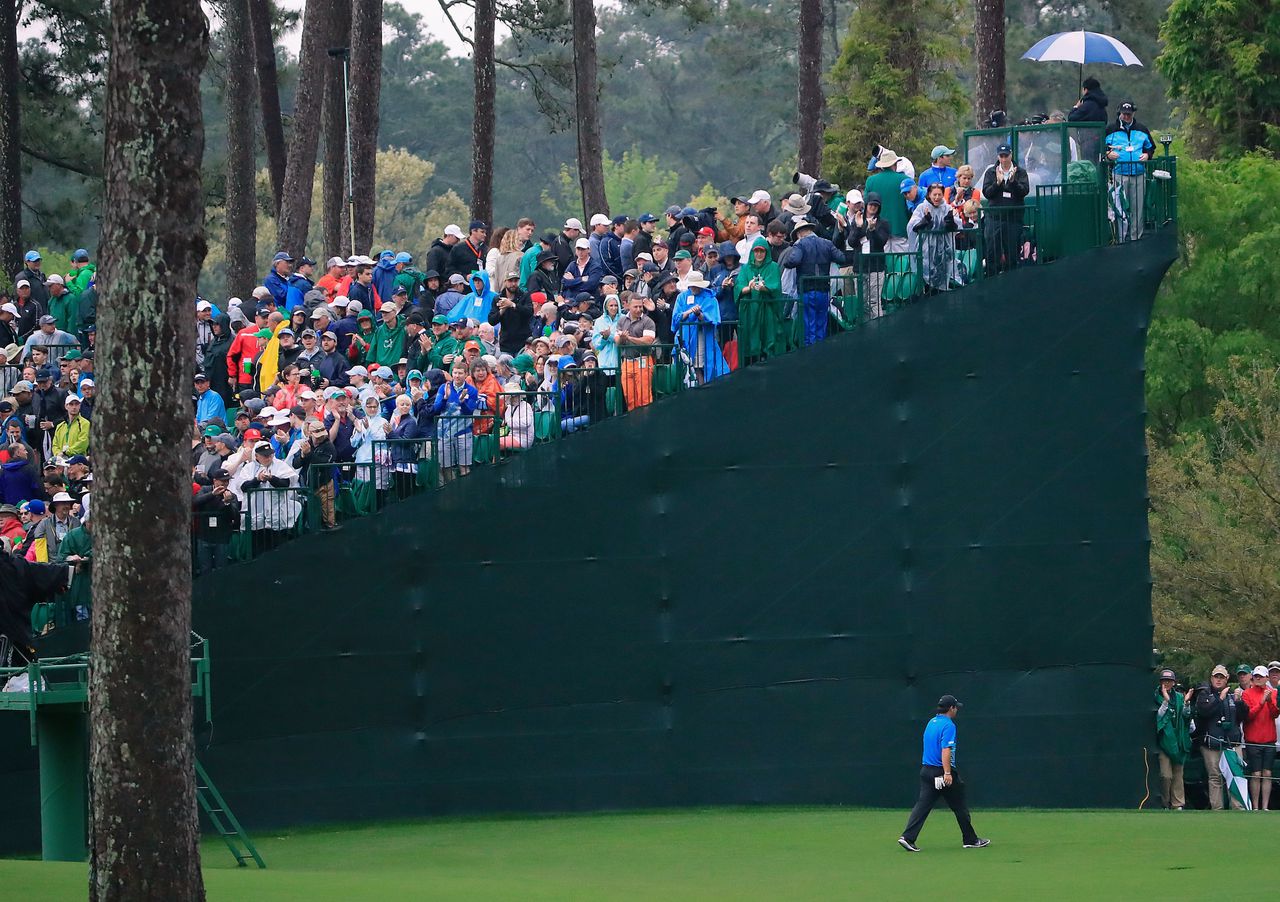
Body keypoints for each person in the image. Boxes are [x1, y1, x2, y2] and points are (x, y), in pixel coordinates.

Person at [898, 695, 989, 852]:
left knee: (922, 805)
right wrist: (947, 773)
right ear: (951, 708)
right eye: (956, 707)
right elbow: (946, 749)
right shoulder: (949, 725)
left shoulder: (931, 723)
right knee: (960, 806)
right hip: (942, 772)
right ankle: (970, 840)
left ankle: (907, 837)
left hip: (926, 771)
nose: (957, 710)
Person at [783, 218, 849, 346]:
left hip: (807, 290)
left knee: (809, 326)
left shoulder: (800, 244)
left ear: (799, 233)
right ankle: (820, 355)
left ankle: (811, 357)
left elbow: (792, 261)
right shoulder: (827, 243)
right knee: (821, 324)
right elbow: (841, 258)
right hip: (824, 290)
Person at [1192, 664, 1246, 810]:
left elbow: (1243, 717)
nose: (1218, 680)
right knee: (1215, 776)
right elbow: (1204, 712)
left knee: (1234, 775)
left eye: (1221, 677)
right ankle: (1217, 809)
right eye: (1216, 677)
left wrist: (1240, 701)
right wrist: (1219, 699)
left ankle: (1237, 808)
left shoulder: (1232, 695)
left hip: (1232, 743)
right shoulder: (1204, 694)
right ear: (1211, 678)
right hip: (1211, 744)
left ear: (1227, 679)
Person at [1105, 101, 1156, 243]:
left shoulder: (1142, 129)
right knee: (1120, 208)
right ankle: (1121, 239)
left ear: (1133, 113)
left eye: (1129, 114)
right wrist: (1108, 154)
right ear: (1119, 113)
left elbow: (1151, 147)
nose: (1126, 116)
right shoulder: (1110, 130)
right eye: (1124, 113)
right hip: (1119, 174)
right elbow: (1101, 149)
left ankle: (1135, 239)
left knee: (1137, 208)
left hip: (1139, 174)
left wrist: (1147, 155)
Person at [671, 271, 728, 385]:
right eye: (692, 285)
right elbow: (675, 319)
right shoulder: (682, 297)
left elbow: (712, 319)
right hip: (684, 339)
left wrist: (699, 315)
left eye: (697, 286)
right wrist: (687, 313)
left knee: (699, 367)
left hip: (702, 337)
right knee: (685, 369)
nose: (694, 288)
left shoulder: (709, 297)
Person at [981, 144, 1030, 276]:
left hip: (1013, 219)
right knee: (993, 252)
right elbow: (987, 193)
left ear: (1011, 155)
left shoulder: (1020, 172)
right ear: (998, 156)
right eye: (1001, 156)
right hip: (995, 218)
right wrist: (997, 183)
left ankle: (1012, 281)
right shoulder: (991, 172)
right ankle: (992, 280)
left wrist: (1013, 182)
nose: (1003, 159)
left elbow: (1024, 191)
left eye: (1006, 156)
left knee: (1012, 253)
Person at [735, 236, 783, 363]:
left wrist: (765, 288)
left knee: (768, 337)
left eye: (762, 251)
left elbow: (776, 286)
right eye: (756, 251)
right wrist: (748, 288)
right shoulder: (746, 268)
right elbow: (738, 286)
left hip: (767, 309)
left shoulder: (773, 266)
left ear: (766, 252)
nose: (759, 254)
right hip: (750, 311)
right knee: (750, 339)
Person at [907, 183, 959, 294]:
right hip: (926, 251)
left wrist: (950, 222)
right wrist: (925, 220)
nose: (937, 197)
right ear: (929, 195)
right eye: (934, 194)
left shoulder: (947, 208)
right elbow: (912, 226)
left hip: (944, 250)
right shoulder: (922, 207)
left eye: (939, 194)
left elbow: (958, 226)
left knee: (941, 282)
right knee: (927, 282)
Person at [1241, 664, 1278, 811]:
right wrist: (1262, 702)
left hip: (1269, 739)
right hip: (1253, 740)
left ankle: (1265, 806)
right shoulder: (1247, 694)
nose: (1258, 679)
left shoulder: (1272, 693)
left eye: (1261, 677)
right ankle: (1255, 807)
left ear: (1266, 678)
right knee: (1256, 773)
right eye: (1256, 676)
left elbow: (1275, 713)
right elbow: (1249, 715)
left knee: (1267, 773)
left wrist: (1268, 701)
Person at [1154, 668, 1192, 810]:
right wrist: (1165, 701)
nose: (1167, 683)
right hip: (1164, 742)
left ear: (1173, 682)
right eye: (1164, 680)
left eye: (1169, 681)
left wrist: (1187, 704)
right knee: (1165, 775)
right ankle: (1165, 803)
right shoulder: (1156, 697)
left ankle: (1177, 804)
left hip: (1179, 741)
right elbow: (1158, 718)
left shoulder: (1180, 697)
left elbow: (1186, 717)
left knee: (1178, 775)